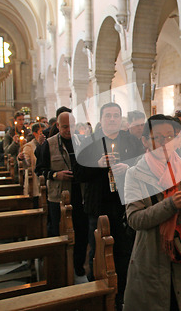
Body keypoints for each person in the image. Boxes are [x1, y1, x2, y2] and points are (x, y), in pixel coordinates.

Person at [123, 114, 181, 311]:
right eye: (158, 137)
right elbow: (135, 219)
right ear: (145, 141)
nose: (165, 143)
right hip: (152, 256)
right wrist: (171, 204)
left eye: (170, 137)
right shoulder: (134, 174)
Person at [73, 102, 144, 310]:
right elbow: (78, 174)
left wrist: (128, 167)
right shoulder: (88, 142)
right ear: (101, 119)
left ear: (120, 119)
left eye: (115, 115)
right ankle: (96, 291)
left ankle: (121, 293)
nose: (112, 119)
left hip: (124, 204)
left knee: (124, 250)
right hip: (98, 204)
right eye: (108, 116)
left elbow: (143, 163)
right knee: (98, 250)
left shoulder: (131, 140)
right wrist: (98, 165)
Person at [35, 112, 89, 283]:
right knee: (58, 233)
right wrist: (55, 174)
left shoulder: (83, 142)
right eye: (65, 127)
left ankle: (78, 266)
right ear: (57, 126)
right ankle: (59, 268)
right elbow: (39, 170)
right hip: (58, 197)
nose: (68, 130)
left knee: (81, 233)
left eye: (71, 126)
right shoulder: (49, 144)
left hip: (80, 196)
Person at [18, 122, 46, 208]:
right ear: (35, 133)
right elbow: (27, 165)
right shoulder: (29, 146)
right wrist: (21, 158)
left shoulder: (48, 144)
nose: (44, 135)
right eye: (42, 132)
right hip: (34, 181)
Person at [3, 111, 30, 181]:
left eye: (23, 119)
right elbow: (7, 151)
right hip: (15, 161)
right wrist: (14, 143)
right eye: (19, 119)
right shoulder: (9, 134)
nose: (22, 122)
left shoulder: (28, 133)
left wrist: (26, 144)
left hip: (27, 159)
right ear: (15, 120)